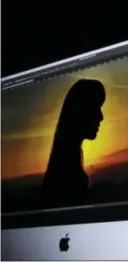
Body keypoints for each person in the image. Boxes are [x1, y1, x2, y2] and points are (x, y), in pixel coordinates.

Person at [41, 78, 106, 206]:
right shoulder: (68, 176)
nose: (101, 116)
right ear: (81, 111)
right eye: (95, 107)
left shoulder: (61, 167)